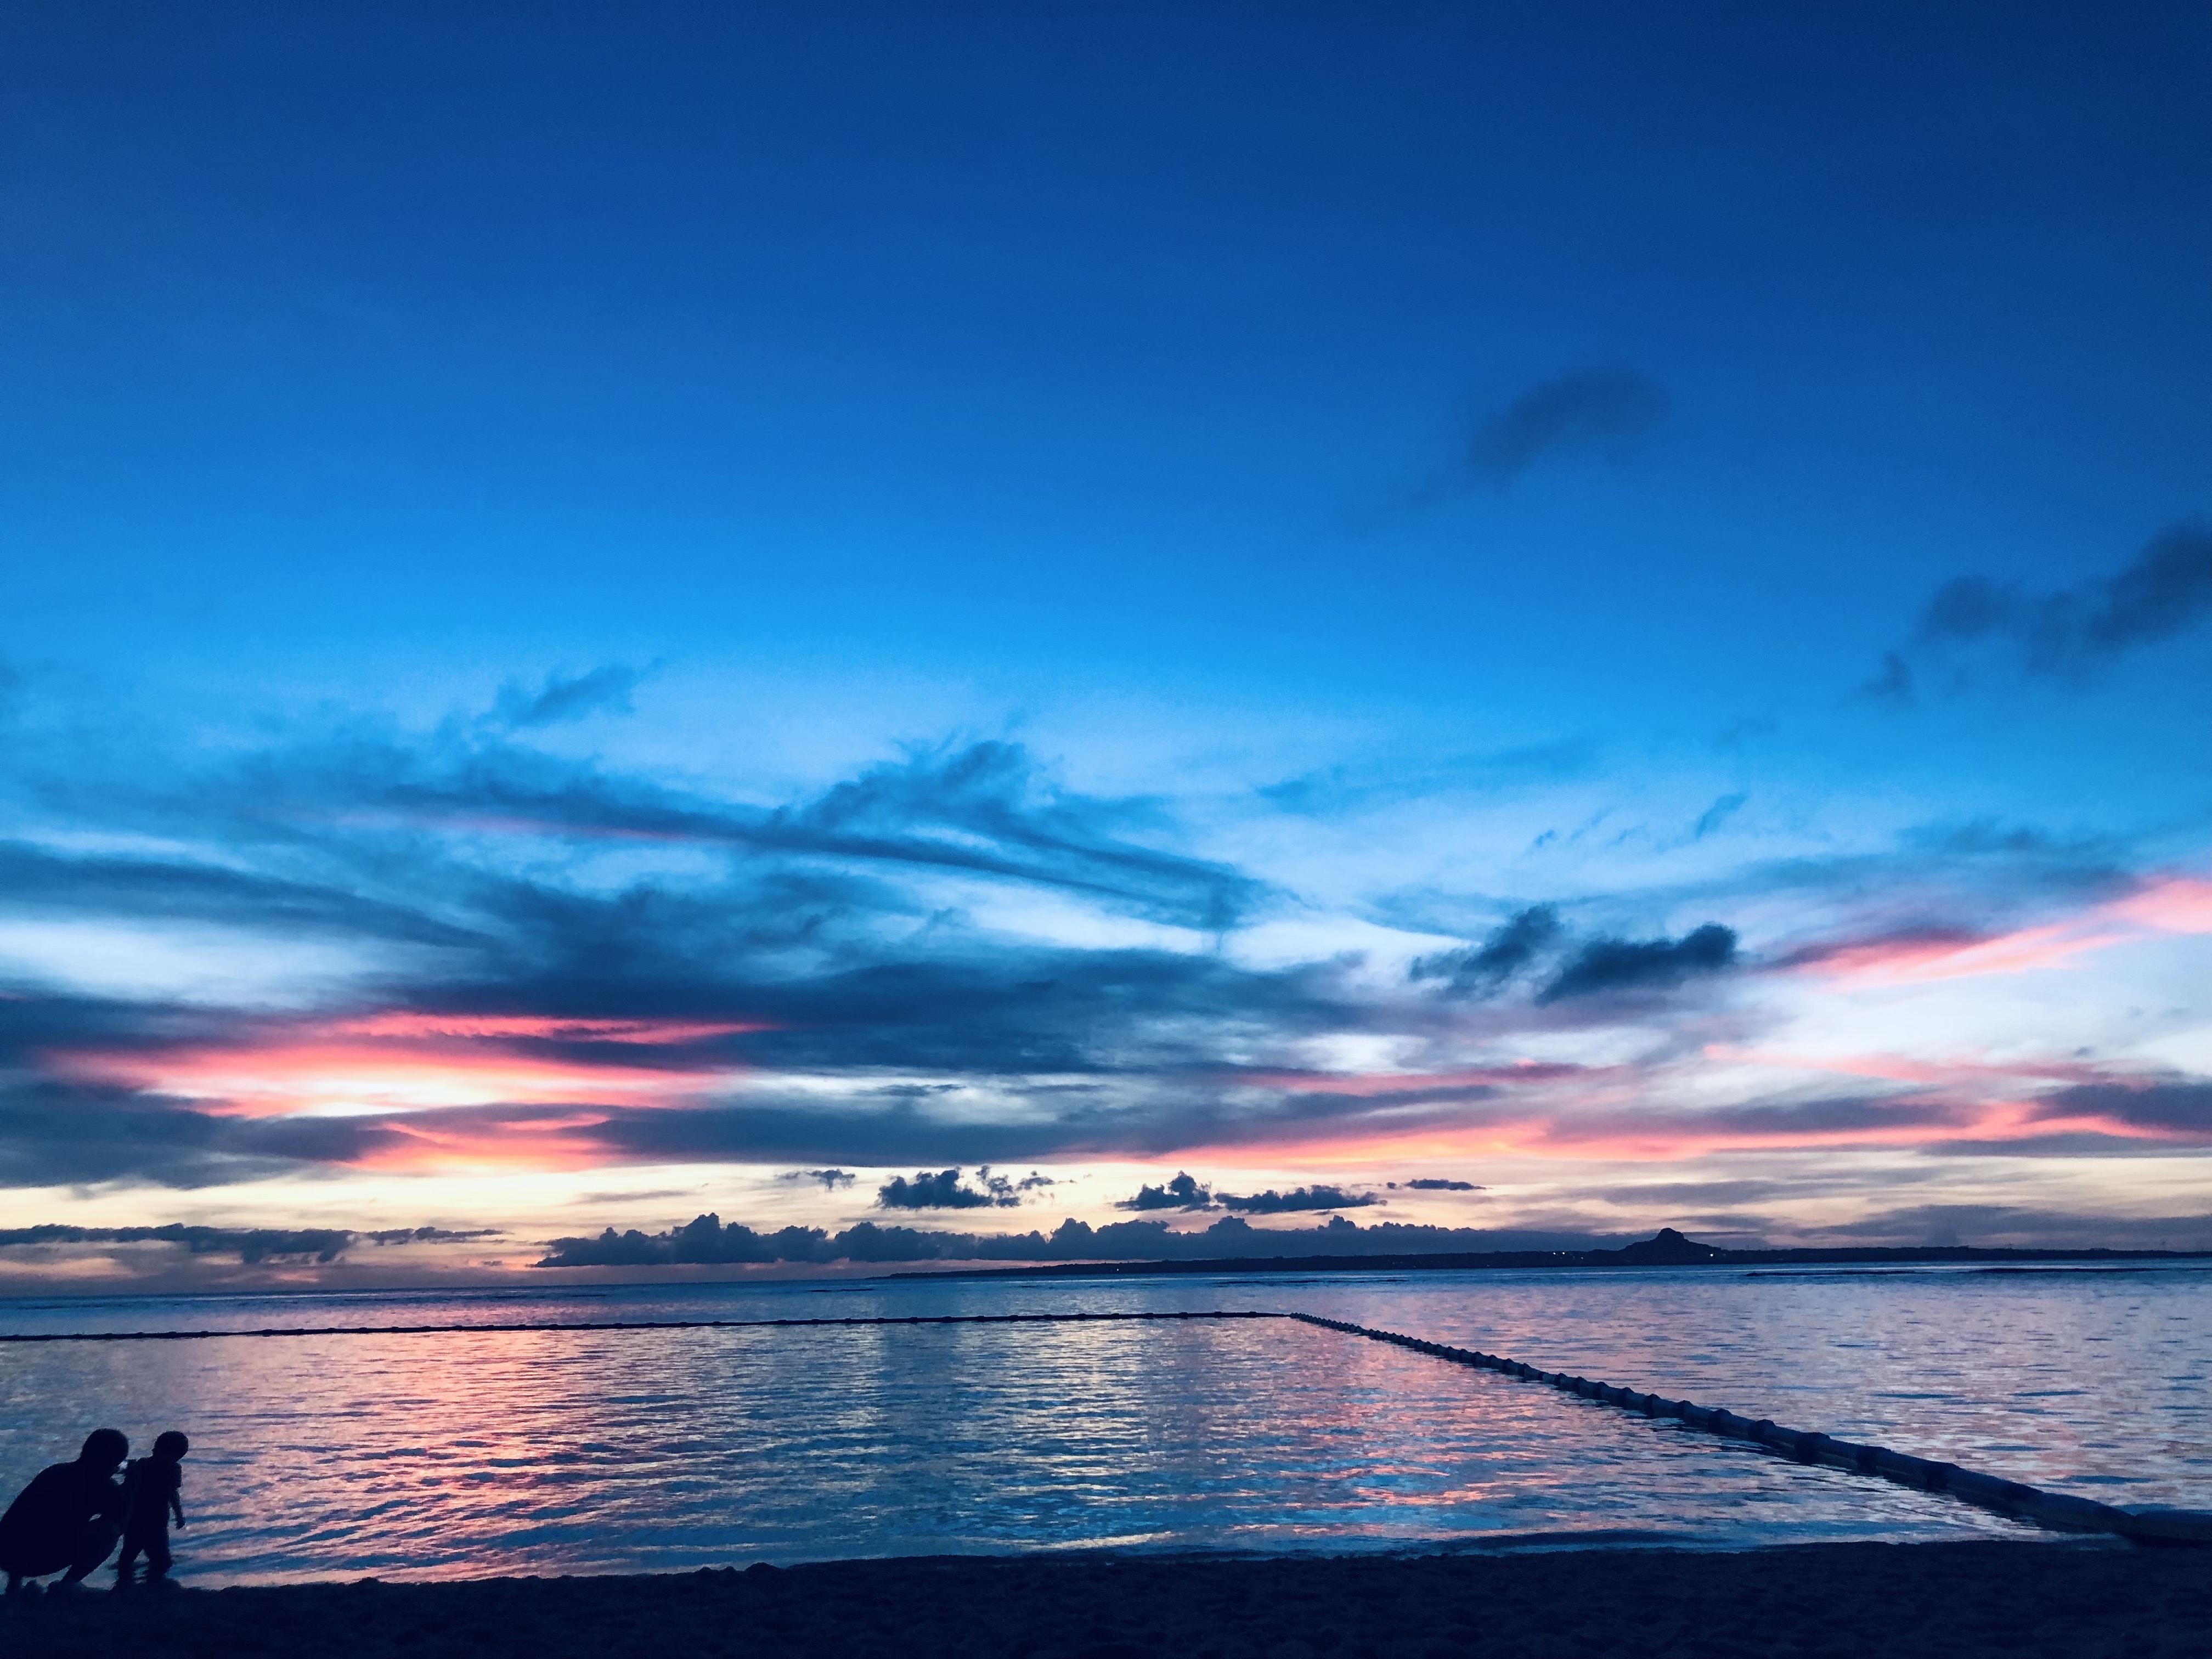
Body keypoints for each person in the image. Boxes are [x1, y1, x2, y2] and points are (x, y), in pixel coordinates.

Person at [0, 1430, 128, 1596]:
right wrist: (132, 1488)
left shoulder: (55, 1472)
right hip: (38, 1560)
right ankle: (69, 1583)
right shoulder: (103, 1487)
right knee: (109, 1531)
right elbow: (122, 1523)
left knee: (30, 1524)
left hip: (6, 1555)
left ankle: (14, 1585)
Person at [115, 1432, 189, 1589]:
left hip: (134, 1518)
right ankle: (154, 1584)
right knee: (162, 1559)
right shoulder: (173, 1468)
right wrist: (179, 1515)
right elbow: (173, 1494)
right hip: (156, 1521)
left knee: (129, 1553)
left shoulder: (140, 1465)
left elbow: (126, 1488)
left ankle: (124, 1583)